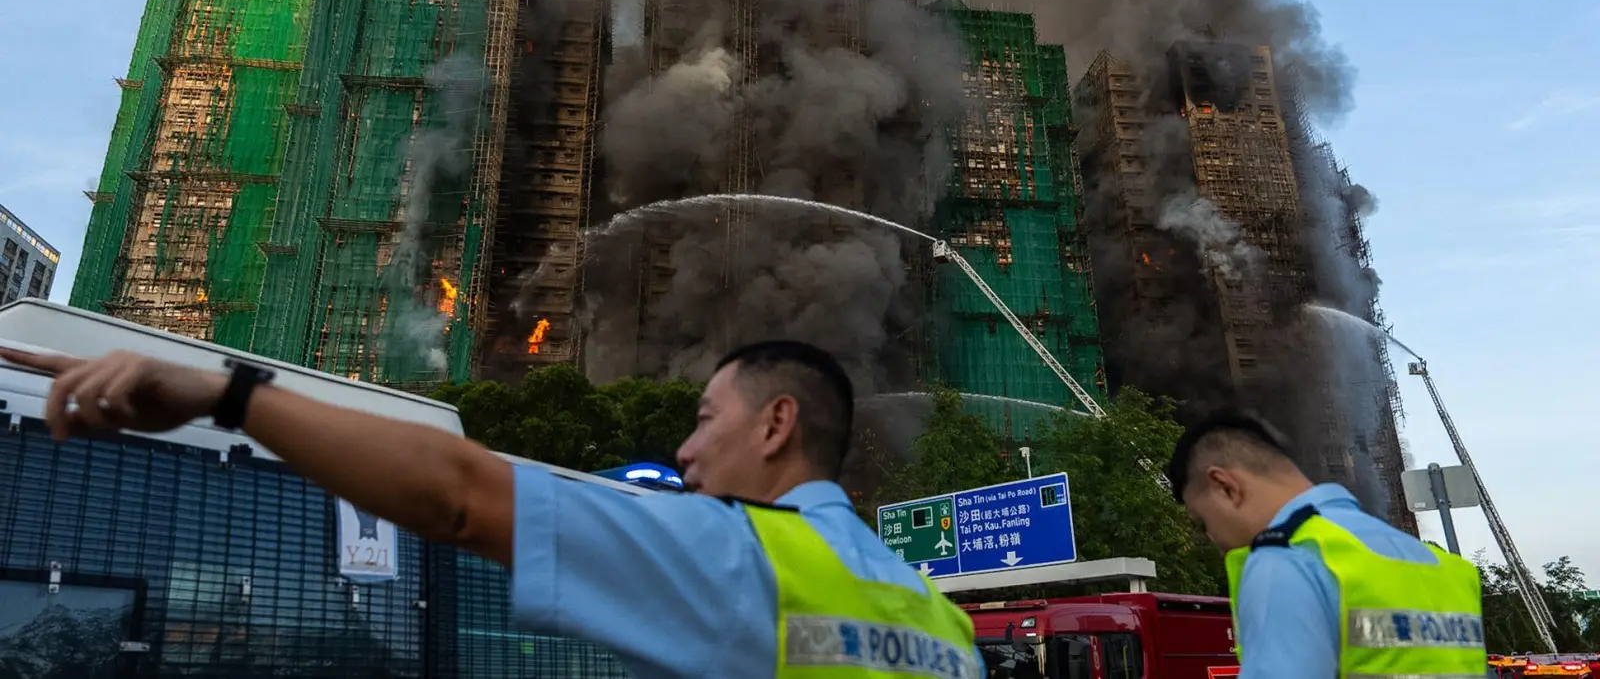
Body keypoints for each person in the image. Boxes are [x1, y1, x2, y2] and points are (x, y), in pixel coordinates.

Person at [0, 339, 981, 679]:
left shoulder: (735, 557)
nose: (684, 449)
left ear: (776, 425)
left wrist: (230, 396)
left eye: (700, 418)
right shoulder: (945, 625)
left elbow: (459, 496)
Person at [1166, 410, 1487, 679]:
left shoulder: (1288, 560)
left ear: (1225, 487)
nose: (1212, 539)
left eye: (1202, 522)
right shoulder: (1447, 569)